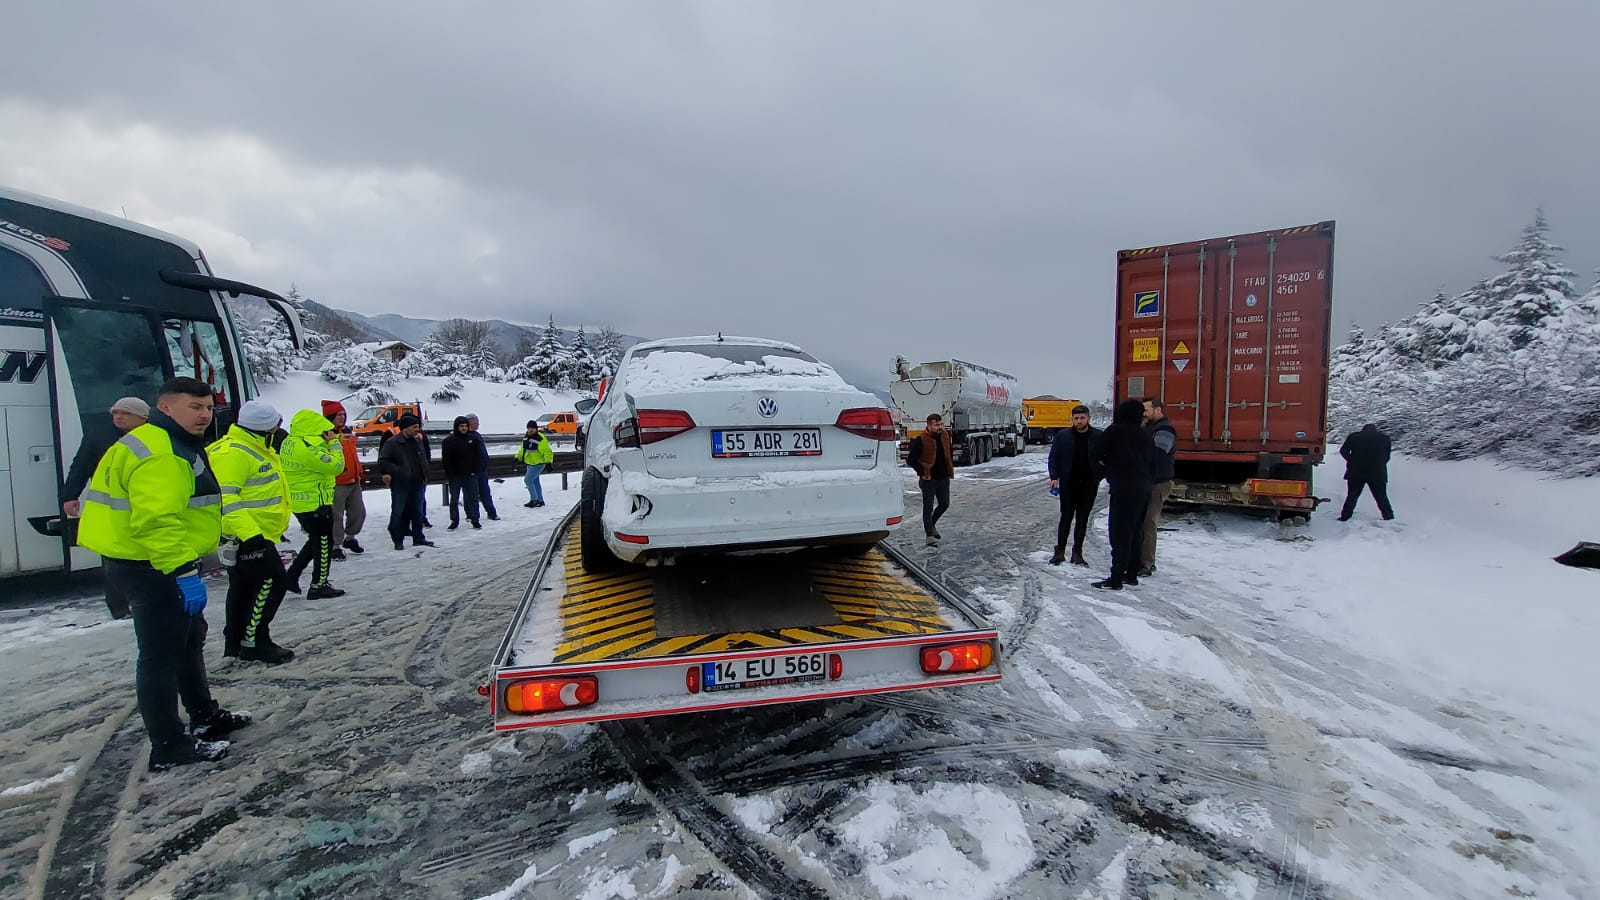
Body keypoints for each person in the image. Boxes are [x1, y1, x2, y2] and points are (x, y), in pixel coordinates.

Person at [77, 377, 250, 771]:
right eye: (195, 407)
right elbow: (156, 520)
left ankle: (205, 716)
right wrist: (182, 571)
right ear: (166, 407)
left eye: (208, 408)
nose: (205, 415)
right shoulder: (163, 453)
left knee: (187, 641)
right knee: (161, 655)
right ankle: (169, 745)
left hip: (146, 560)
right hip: (151, 564)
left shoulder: (162, 442)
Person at [209, 400, 294, 664]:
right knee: (273, 581)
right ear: (265, 428)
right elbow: (226, 499)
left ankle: (237, 641)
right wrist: (251, 535)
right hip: (247, 535)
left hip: (256, 532)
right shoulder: (233, 453)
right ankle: (254, 640)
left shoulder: (253, 448)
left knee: (244, 587)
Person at [62, 396, 150, 619]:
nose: (118, 417)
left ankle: (145, 598)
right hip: (113, 510)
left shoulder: (155, 436)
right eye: (115, 413)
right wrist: (69, 496)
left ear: (142, 418)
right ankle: (119, 606)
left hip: (147, 505)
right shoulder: (98, 436)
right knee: (114, 559)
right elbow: (80, 466)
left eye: (124, 413)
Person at [280, 410, 347, 599]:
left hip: (301, 501)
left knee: (315, 541)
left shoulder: (291, 441)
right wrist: (334, 444)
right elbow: (336, 466)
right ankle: (319, 584)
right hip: (316, 502)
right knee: (324, 544)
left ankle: (291, 576)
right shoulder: (308, 449)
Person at [1091, 399, 1155, 590]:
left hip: (1124, 488)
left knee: (1119, 533)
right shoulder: (1145, 436)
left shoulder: (1115, 431)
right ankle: (1132, 574)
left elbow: (1097, 453)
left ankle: (1116, 578)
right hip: (1144, 488)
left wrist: (1104, 469)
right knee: (1136, 531)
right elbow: (1154, 463)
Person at [1047, 405, 1102, 566]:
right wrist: (1054, 476)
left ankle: (1077, 553)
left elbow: (1107, 457)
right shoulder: (1063, 436)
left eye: (1082, 418)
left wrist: (1100, 474)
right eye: (1076, 418)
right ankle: (1060, 551)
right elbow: (1054, 457)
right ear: (1072, 419)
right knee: (1066, 518)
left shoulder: (1098, 436)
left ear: (1088, 418)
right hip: (1068, 483)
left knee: (1082, 519)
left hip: (1089, 484)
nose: (1079, 421)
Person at [379, 415, 435, 550]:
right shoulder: (392, 442)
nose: (418, 430)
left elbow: (424, 456)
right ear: (406, 428)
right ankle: (397, 539)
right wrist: (398, 471)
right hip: (401, 483)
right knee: (398, 511)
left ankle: (418, 537)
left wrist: (425, 471)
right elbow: (383, 461)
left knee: (418, 511)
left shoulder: (417, 440)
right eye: (415, 427)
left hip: (418, 481)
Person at [322, 400, 367, 558]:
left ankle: (351, 537)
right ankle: (335, 545)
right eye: (338, 415)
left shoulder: (347, 430)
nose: (342, 418)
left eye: (343, 415)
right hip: (337, 481)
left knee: (358, 511)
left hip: (353, 479)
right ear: (330, 416)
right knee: (336, 515)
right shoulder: (325, 433)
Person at [1139, 398, 1178, 577]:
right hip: (1149, 481)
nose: (1144, 414)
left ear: (1158, 409)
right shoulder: (1149, 427)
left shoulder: (1165, 430)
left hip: (1158, 482)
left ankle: (1147, 564)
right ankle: (1142, 559)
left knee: (1149, 522)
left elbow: (1158, 454)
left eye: (1146, 410)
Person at [906, 413, 954, 546]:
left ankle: (931, 524)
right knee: (928, 507)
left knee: (944, 503)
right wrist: (922, 472)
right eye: (936, 425)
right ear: (929, 426)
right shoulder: (921, 439)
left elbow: (948, 453)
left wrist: (949, 468)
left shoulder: (945, 436)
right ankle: (929, 535)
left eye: (941, 424)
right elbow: (911, 460)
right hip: (929, 479)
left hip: (943, 477)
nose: (940, 427)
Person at [1338, 423, 1395, 521]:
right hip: (1377, 472)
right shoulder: (1384, 438)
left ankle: (1345, 516)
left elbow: (1343, 451)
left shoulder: (1354, 437)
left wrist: (1352, 461)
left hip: (1356, 472)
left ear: (1363, 429)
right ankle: (1388, 516)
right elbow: (1387, 455)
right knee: (1381, 496)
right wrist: (1380, 464)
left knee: (1352, 495)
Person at [441, 416, 483, 530]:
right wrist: (450, 473)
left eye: (465, 426)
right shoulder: (449, 441)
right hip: (456, 475)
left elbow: (479, 456)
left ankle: (475, 519)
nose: (464, 428)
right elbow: (446, 459)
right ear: (457, 427)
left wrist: (476, 470)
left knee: (474, 498)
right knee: (454, 499)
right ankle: (454, 520)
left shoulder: (473, 439)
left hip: (471, 474)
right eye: (461, 426)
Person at [466, 413, 499, 521]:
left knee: (485, 492)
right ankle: (472, 515)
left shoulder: (477, 435)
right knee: (471, 494)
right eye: (476, 423)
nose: (478, 424)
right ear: (470, 423)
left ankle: (491, 512)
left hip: (482, 469)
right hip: (472, 470)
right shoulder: (467, 437)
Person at [516, 420, 554, 508]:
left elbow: (547, 451)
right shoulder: (526, 437)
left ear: (536, 429)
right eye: (529, 428)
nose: (530, 430)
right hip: (530, 463)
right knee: (535, 482)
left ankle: (534, 500)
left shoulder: (540, 438)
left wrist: (548, 462)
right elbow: (523, 449)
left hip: (538, 463)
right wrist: (518, 457)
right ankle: (540, 500)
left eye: (532, 428)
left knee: (528, 480)